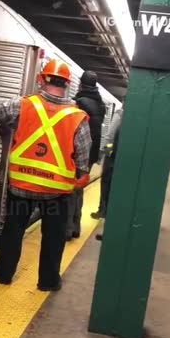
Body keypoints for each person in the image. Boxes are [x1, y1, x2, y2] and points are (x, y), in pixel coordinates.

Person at [0, 59, 92, 291]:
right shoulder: (77, 116)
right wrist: (81, 174)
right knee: (53, 238)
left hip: (21, 188)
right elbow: (83, 154)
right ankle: (48, 282)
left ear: (42, 79)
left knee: (13, 231)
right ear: (67, 85)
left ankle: (4, 274)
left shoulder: (24, 105)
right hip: (56, 193)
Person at [66, 71, 106, 240]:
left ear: (81, 84)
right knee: (79, 189)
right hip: (91, 152)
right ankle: (76, 226)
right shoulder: (101, 104)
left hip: (78, 151)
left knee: (70, 189)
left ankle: (67, 229)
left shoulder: (79, 102)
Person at [91, 107, 123, 220]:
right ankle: (109, 210)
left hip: (112, 156)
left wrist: (103, 152)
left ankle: (102, 211)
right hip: (121, 157)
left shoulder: (120, 113)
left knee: (106, 183)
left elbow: (109, 135)